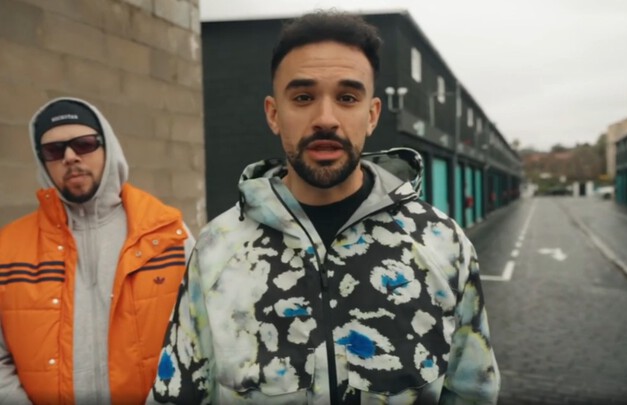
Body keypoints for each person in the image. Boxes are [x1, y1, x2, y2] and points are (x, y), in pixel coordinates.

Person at [150, 10, 499, 405]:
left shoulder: (443, 244)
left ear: (372, 115)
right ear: (273, 114)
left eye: (347, 98)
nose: (325, 119)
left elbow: (473, 391)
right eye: (303, 97)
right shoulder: (218, 248)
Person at [0, 97, 195, 405]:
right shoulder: (8, 249)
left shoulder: (167, 235)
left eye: (84, 144)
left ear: (108, 147)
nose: (70, 157)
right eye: (54, 150)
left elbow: (199, 339)